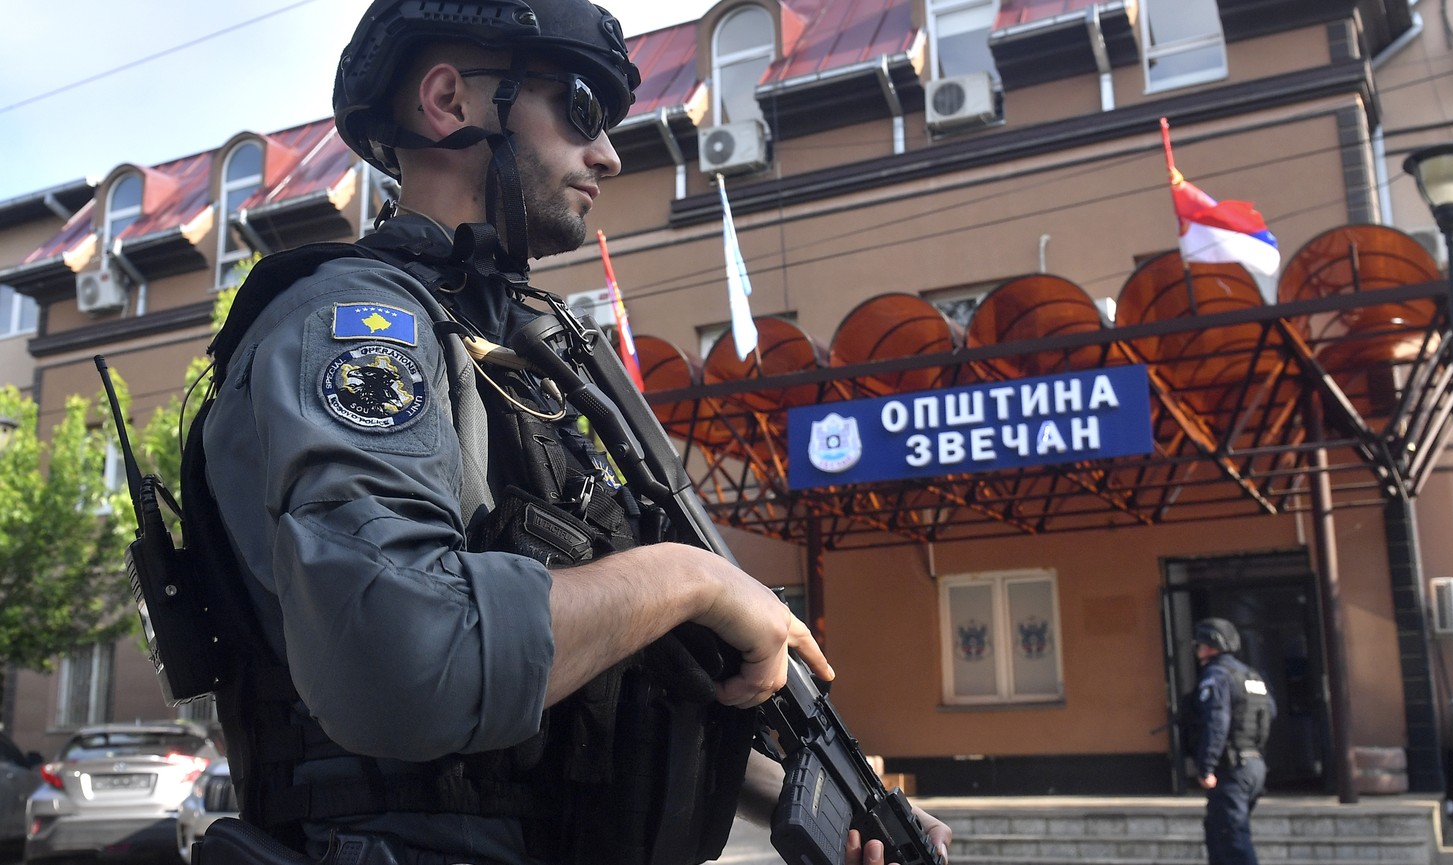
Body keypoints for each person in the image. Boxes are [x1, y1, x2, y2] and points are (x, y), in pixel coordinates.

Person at [195, 1, 952, 864]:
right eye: (582, 106)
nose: (609, 152)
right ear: (450, 102)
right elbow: (405, 662)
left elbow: (590, 689)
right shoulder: (354, 325)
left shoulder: (517, 351)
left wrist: (823, 804)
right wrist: (689, 579)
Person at [1187, 618, 1275, 865]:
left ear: (1209, 646)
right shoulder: (1252, 676)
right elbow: (1271, 713)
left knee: (1232, 840)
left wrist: (1206, 767)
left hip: (1232, 769)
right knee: (1219, 834)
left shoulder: (1217, 676)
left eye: (1199, 645)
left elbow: (1217, 723)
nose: (1197, 651)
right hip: (1253, 765)